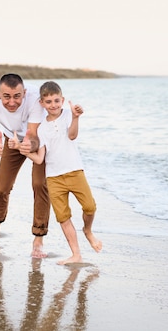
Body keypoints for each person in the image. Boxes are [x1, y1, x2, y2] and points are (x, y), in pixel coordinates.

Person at [21, 81, 102, 265]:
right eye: (48, 102)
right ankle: (76, 254)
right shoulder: (41, 128)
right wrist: (24, 151)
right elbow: (40, 158)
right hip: (54, 178)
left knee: (90, 207)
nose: (53, 105)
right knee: (63, 217)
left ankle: (88, 231)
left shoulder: (67, 115)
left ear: (62, 100)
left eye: (56, 100)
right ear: (42, 103)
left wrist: (75, 117)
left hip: (74, 172)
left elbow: (72, 135)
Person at [0, 73, 50, 258]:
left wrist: (28, 145)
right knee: (2, 187)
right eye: (6, 96)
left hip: (40, 140)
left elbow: (33, 135)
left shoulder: (34, 98)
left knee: (39, 184)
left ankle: (38, 239)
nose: (12, 102)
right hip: (11, 139)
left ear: (24, 92)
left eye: (17, 96)